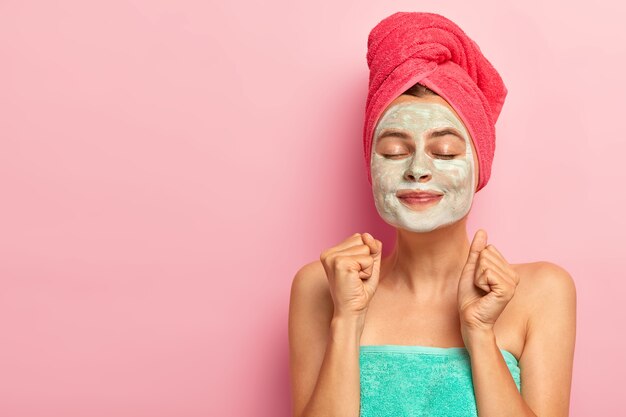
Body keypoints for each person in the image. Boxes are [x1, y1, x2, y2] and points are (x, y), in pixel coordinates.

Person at [288, 11, 576, 417]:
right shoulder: (321, 287)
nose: (417, 169)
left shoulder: (542, 291)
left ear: (480, 165)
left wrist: (479, 334)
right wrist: (347, 321)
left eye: (445, 152)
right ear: (370, 165)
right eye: (394, 151)